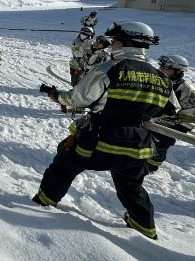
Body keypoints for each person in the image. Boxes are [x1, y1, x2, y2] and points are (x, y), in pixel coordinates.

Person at [33, 21, 179, 240]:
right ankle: (144, 228)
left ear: (127, 42)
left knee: (63, 166)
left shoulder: (110, 68)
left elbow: (77, 99)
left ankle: (42, 204)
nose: (113, 44)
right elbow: (172, 108)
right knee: (131, 187)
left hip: (98, 140)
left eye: (116, 40)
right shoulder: (161, 78)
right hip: (136, 145)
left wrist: (58, 96)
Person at [147, 55, 195, 173]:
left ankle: (152, 167)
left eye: (166, 67)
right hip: (150, 120)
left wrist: (180, 127)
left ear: (177, 71)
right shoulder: (155, 81)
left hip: (170, 125)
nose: (161, 69)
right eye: (161, 66)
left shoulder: (184, 89)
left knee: (160, 147)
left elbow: (190, 112)